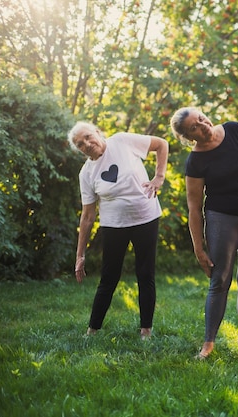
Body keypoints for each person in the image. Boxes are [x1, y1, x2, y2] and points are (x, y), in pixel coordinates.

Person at [170, 107, 238, 359]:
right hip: (222, 219)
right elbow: (194, 209)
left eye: (201, 118)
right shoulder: (195, 161)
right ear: (187, 136)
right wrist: (199, 249)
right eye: (194, 127)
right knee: (219, 281)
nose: (203, 125)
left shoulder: (235, 130)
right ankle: (208, 344)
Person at [69, 121, 169, 340]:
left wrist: (159, 177)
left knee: (145, 274)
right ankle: (92, 330)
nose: (86, 144)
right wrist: (80, 255)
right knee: (109, 277)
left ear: (97, 132)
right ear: (79, 150)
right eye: (80, 144)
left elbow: (161, 144)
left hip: (146, 218)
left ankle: (146, 331)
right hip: (114, 225)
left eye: (87, 137)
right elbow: (87, 216)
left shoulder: (122, 141)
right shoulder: (86, 173)